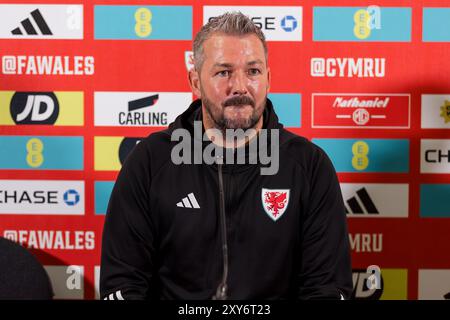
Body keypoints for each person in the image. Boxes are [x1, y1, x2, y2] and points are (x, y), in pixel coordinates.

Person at [100, 12, 352, 300]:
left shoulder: (309, 167)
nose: (240, 86)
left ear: (269, 78)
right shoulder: (149, 162)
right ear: (195, 82)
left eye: (253, 71)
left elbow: (327, 288)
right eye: (223, 72)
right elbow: (122, 285)